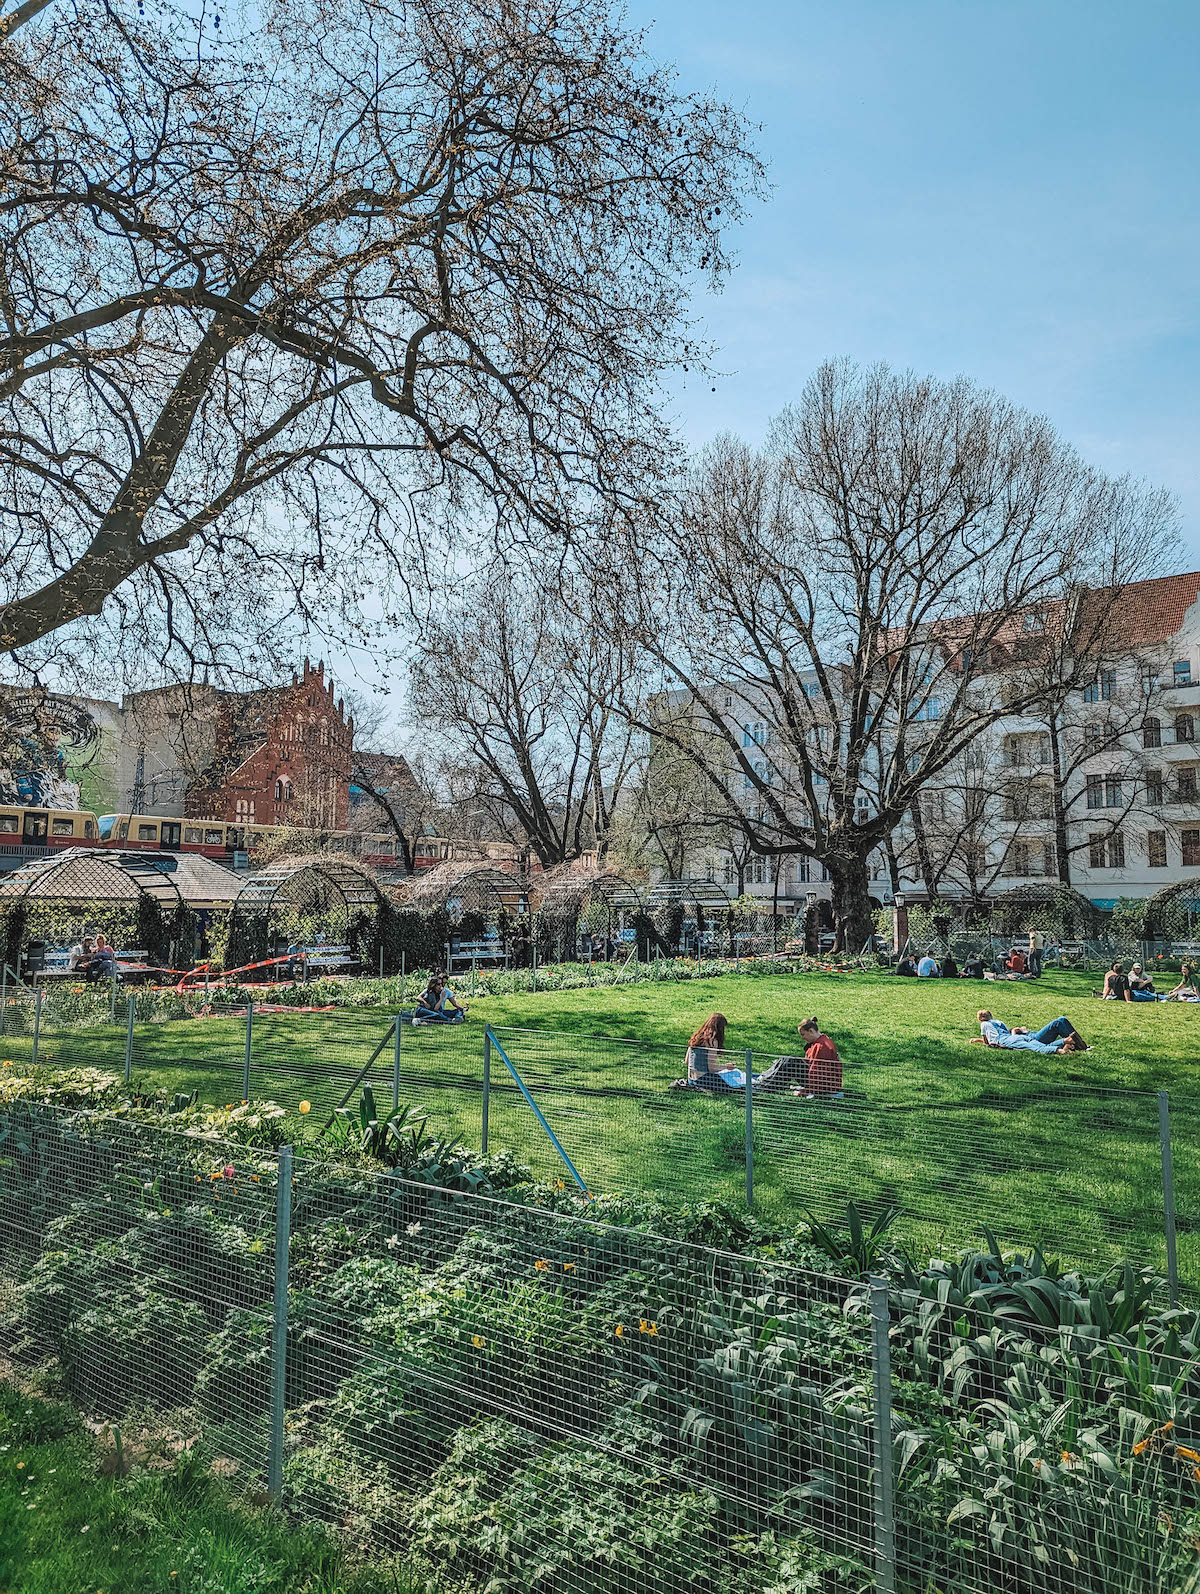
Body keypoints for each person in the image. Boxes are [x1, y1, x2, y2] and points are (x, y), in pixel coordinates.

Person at [975, 1009, 1089, 1053]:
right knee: (1037, 1044)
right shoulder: (999, 1022)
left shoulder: (984, 1024)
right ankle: (1068, 1042)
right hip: (1026, 1037)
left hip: (1014, 1038)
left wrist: (980, 1041)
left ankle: (1063, 1048)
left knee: (1035, 1047)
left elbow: (989, 1042)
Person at [793, 1016, 844, 1098]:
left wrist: (808, 1090)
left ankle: (767, 1083)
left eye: (803, 1034)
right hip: (825, 1083)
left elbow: (816, 1071)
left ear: (811, 1031)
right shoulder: (820, 1041)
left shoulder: (821, 1046)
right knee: (787, 1061)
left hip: (827, 1085)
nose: (802, 1038)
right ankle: (767, 1079)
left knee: (790, 1062)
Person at [685, 1013, 728, 1083]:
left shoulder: (696, 1036)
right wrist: (726, 1067)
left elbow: (687, 1061)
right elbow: (712, 1068)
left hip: (691, 1079)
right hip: (704, 1080)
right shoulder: (712, 1041)